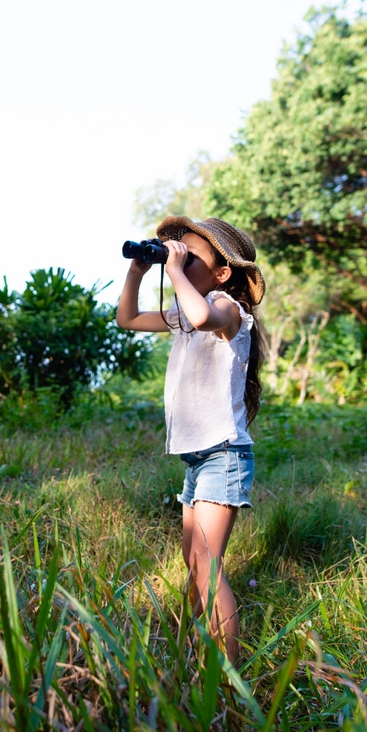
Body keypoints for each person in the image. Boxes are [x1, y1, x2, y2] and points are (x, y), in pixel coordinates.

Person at [116, 216, 265, 663]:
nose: (177, 256)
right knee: (194, 563)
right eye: (176, 251)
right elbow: (126, 319)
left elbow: (202, 316)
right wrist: (139, 271)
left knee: (207, 567)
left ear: (222, 273)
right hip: (198, 459)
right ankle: (189, 653)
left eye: (191, 254)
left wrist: (175, 272)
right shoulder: (185, 312)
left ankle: (227, 682)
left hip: (224, 455)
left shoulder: (227, 310)